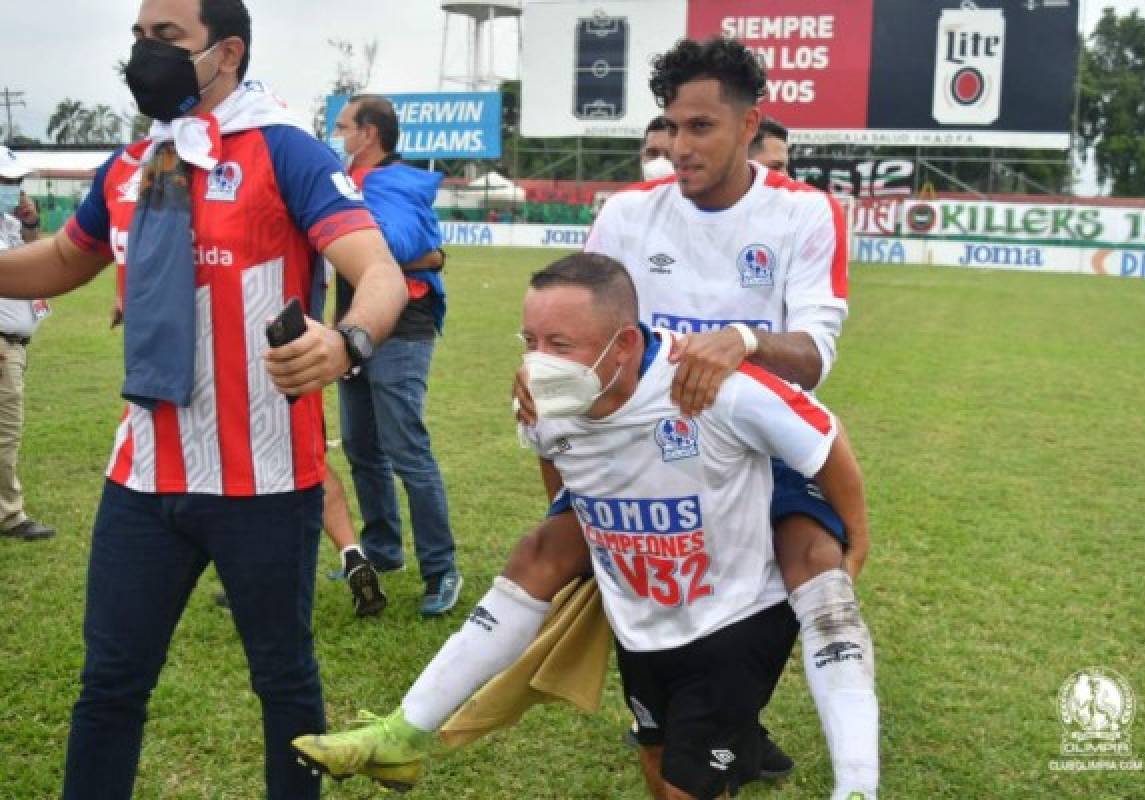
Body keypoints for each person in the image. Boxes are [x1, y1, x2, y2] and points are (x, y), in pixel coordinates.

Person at [302, 35, 879, 800]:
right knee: (544, 546)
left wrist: (741, 339)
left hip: (752, 437)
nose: (679, 145)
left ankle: (857, 784)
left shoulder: (804, 213)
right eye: (671, 126)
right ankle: (402, 735)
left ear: (750, 125)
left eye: (701, 127)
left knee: (816, 565)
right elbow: (588, 315)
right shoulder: (628, 214)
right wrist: (545, 370)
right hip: (637, 442)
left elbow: (813, 356)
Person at [0, 1, 408, 797]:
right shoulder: (131, 166)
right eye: (137, 37)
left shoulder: (283, 150)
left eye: (165, 39)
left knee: (283, 686)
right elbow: (60, 259)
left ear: (226, 53)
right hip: (142, 481)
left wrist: (346, 340)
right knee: (109, 686)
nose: (141, 54)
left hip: (264, 482)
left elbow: (380, 271)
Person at [293, 253, 870, 800]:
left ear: (622, 346)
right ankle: (402, 734)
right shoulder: (542, 400)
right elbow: (560, 465)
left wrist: (857, 540)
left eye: (560, 344)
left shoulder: (711, 386)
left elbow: (822, 441)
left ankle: (857, 784)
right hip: (641, 618)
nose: (539, 360)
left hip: (735, 615)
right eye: (531, 341)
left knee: (682, 785)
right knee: (655, 756)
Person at [330, 94, 462, 617]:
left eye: (343, 128)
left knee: (407, 449)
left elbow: (390, 243)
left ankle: (441, 569)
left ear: (369, 134)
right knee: (362, 448)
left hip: (403, 328)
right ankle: (383, 551)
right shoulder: (348, 184)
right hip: (355, 327)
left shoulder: (391, 181)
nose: (337, 137)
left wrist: (430, 256)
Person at [0, 146, 55, 541]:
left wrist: (31, 226)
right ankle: (9, 514)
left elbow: (36, 262)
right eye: (6, 182)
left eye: (17, 182)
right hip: (3, 346)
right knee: (6, 431)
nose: (15, 190)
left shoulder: (8, 225)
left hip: (16, 344)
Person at [640, 115, 673, 181]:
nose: (660, 164)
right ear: (642, 156)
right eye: (652, 153)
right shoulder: (630, 191)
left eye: (670, 155)